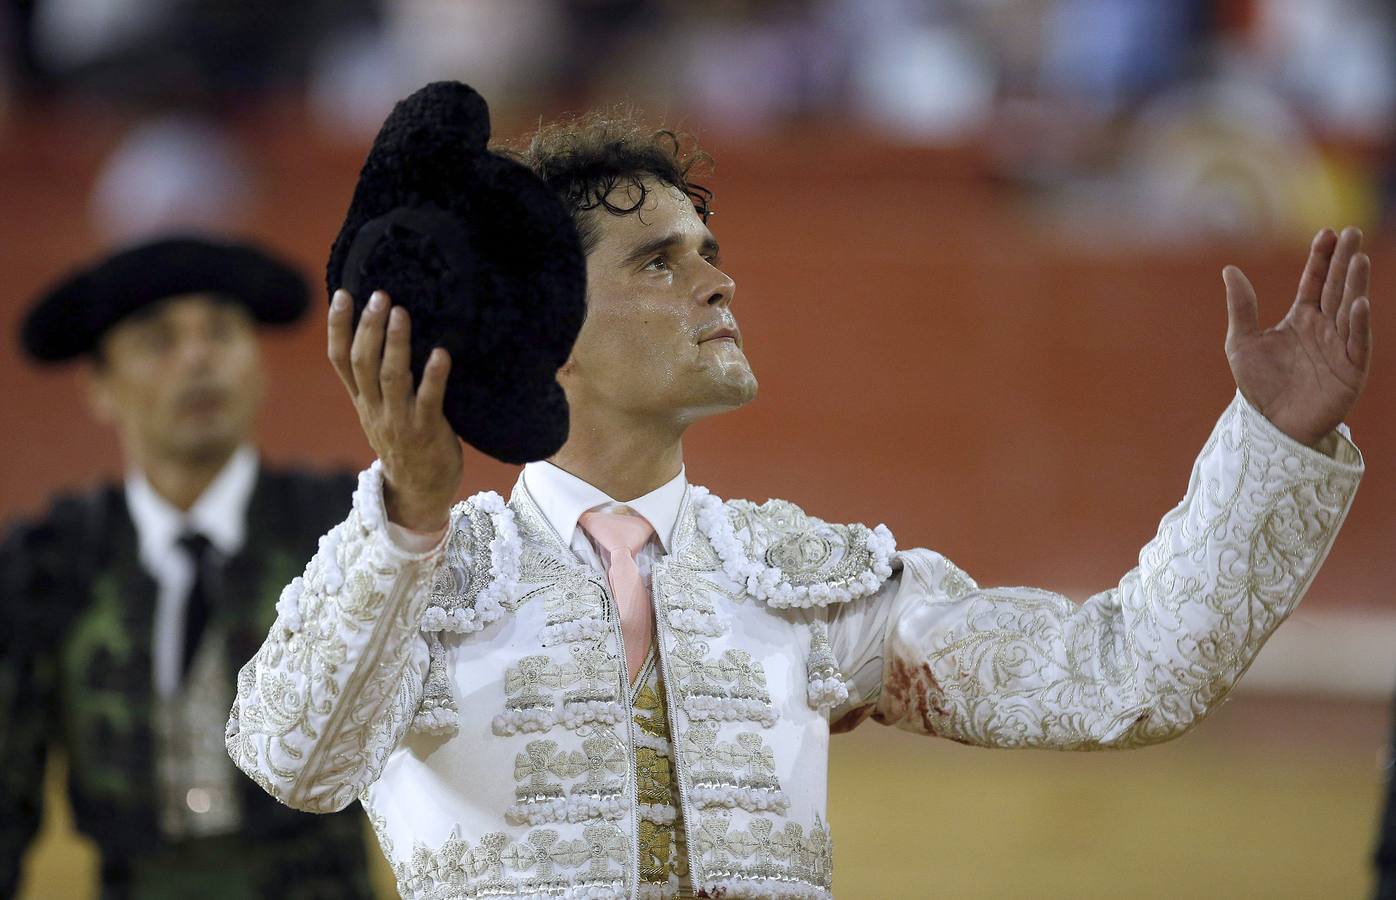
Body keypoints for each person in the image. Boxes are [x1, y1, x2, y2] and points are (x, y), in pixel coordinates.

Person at [227, 113, 1371, 900]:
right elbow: (294, 760)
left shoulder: (801, 582)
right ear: (545, 326)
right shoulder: (423, 570)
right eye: (659, 262)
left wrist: (1273, 441)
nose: (720, 281)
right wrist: (410, 517)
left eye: (709, 251)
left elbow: (1123, 670)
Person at [1, 236, 376, 898]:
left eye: (222, 332)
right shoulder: (47, 564)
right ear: (100, 389)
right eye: (157, 339)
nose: (198, 358)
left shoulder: (346, 533)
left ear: (258, 367)